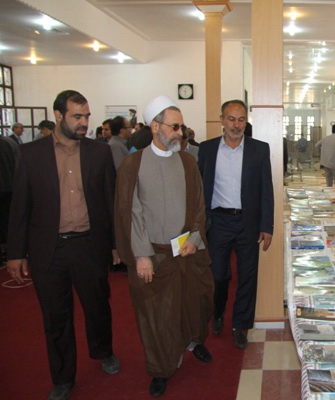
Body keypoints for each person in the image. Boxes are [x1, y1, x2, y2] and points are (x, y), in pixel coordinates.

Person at [6, 90, 120, 400]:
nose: (84, 123)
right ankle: (62, 376)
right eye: (77, 117)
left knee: (97, 306)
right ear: (58, 115)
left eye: (86, 116)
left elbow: (110, 202)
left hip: (88, 246)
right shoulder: (31, 154)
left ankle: (103, 350)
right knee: (55, 317)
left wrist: (115, 244)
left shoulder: (99, 153)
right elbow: (20, 206)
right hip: (48, 250)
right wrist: (15, 252)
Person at [114, 95, 214, 397]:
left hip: (188, 253)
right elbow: (130, 213)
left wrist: (194, 239)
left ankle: (194, 342)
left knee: (196, 303)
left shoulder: (187, 161)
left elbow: (199, 205)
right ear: (155, 126)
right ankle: (161, 368)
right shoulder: (133, 164)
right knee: (156, 316)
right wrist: (142, 255)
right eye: (174, 127)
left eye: (181, 127)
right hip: (154, 257)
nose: (180, 133)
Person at [197, 100, 274, 350]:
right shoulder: (207, 149)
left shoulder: (259, 149)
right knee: (218, 275)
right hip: (218, 222)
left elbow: (266, 189)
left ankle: (240, 325)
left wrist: (267, 225)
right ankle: (218, 311)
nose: (236, 125)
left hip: (248, 222)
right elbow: (199, 189)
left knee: (248, 276)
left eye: (241, 119)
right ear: (222, 120)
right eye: (231, 119)